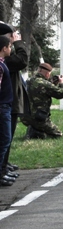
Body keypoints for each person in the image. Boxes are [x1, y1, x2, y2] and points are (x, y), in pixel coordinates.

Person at [0, 22, 28, 180]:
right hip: (5, 104)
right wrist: (18, 43)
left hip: (9, 103)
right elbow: (22, 60)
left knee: (6, 139)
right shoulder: (4, 60)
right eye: (10, 36)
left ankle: (4, 167)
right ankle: (2, 170)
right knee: (5, 139)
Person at [22, 63, 63, 140]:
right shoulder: (46, 84)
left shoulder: (29, 81)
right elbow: (62, 93)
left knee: (41, 130)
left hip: (25, 117)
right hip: (40, 119)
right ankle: (36, 131)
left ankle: (34, 130)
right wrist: (61, 83)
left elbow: (40, 89)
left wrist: (52, 84)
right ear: (47, 73)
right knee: (58, 134)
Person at [0, 36, 14, 187]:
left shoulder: (2, 64)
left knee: (4, 141)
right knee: (4, 141)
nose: (10, 49)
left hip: (5, 106)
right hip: (2, 108)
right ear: (4, 48)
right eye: (9, 46)